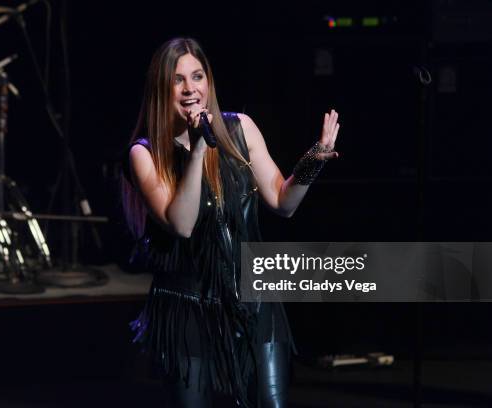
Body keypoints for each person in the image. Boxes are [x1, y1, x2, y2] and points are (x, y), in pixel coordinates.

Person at [122, 38, 340, 408]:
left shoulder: (241, 129)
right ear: (162, 88)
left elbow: (282, 202)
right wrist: (198, 148)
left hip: (255, 299)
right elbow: (183, 224)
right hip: (187, 308)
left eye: (197, 76)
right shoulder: (145, 154)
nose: (190, 89)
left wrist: (315, 158)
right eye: (178, 80)